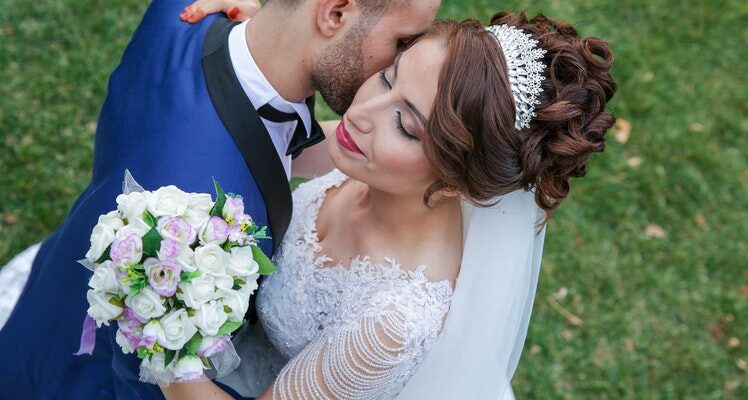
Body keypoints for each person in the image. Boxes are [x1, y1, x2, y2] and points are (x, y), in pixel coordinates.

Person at [159, 10, 617, 400]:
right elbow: (268, 135)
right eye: (387, 77)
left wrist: (159, 321)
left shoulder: (393, 324)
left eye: (405, 125)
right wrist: (256, 30)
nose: (360, 113)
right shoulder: (366, 152)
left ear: (459, 183)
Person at [0, 0, 439, 398]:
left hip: (51, 289)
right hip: (92, 376)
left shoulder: (184, 11)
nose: (406, 59)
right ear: (335, 13)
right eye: (403, 41)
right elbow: (144, 376)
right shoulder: (202, 220)